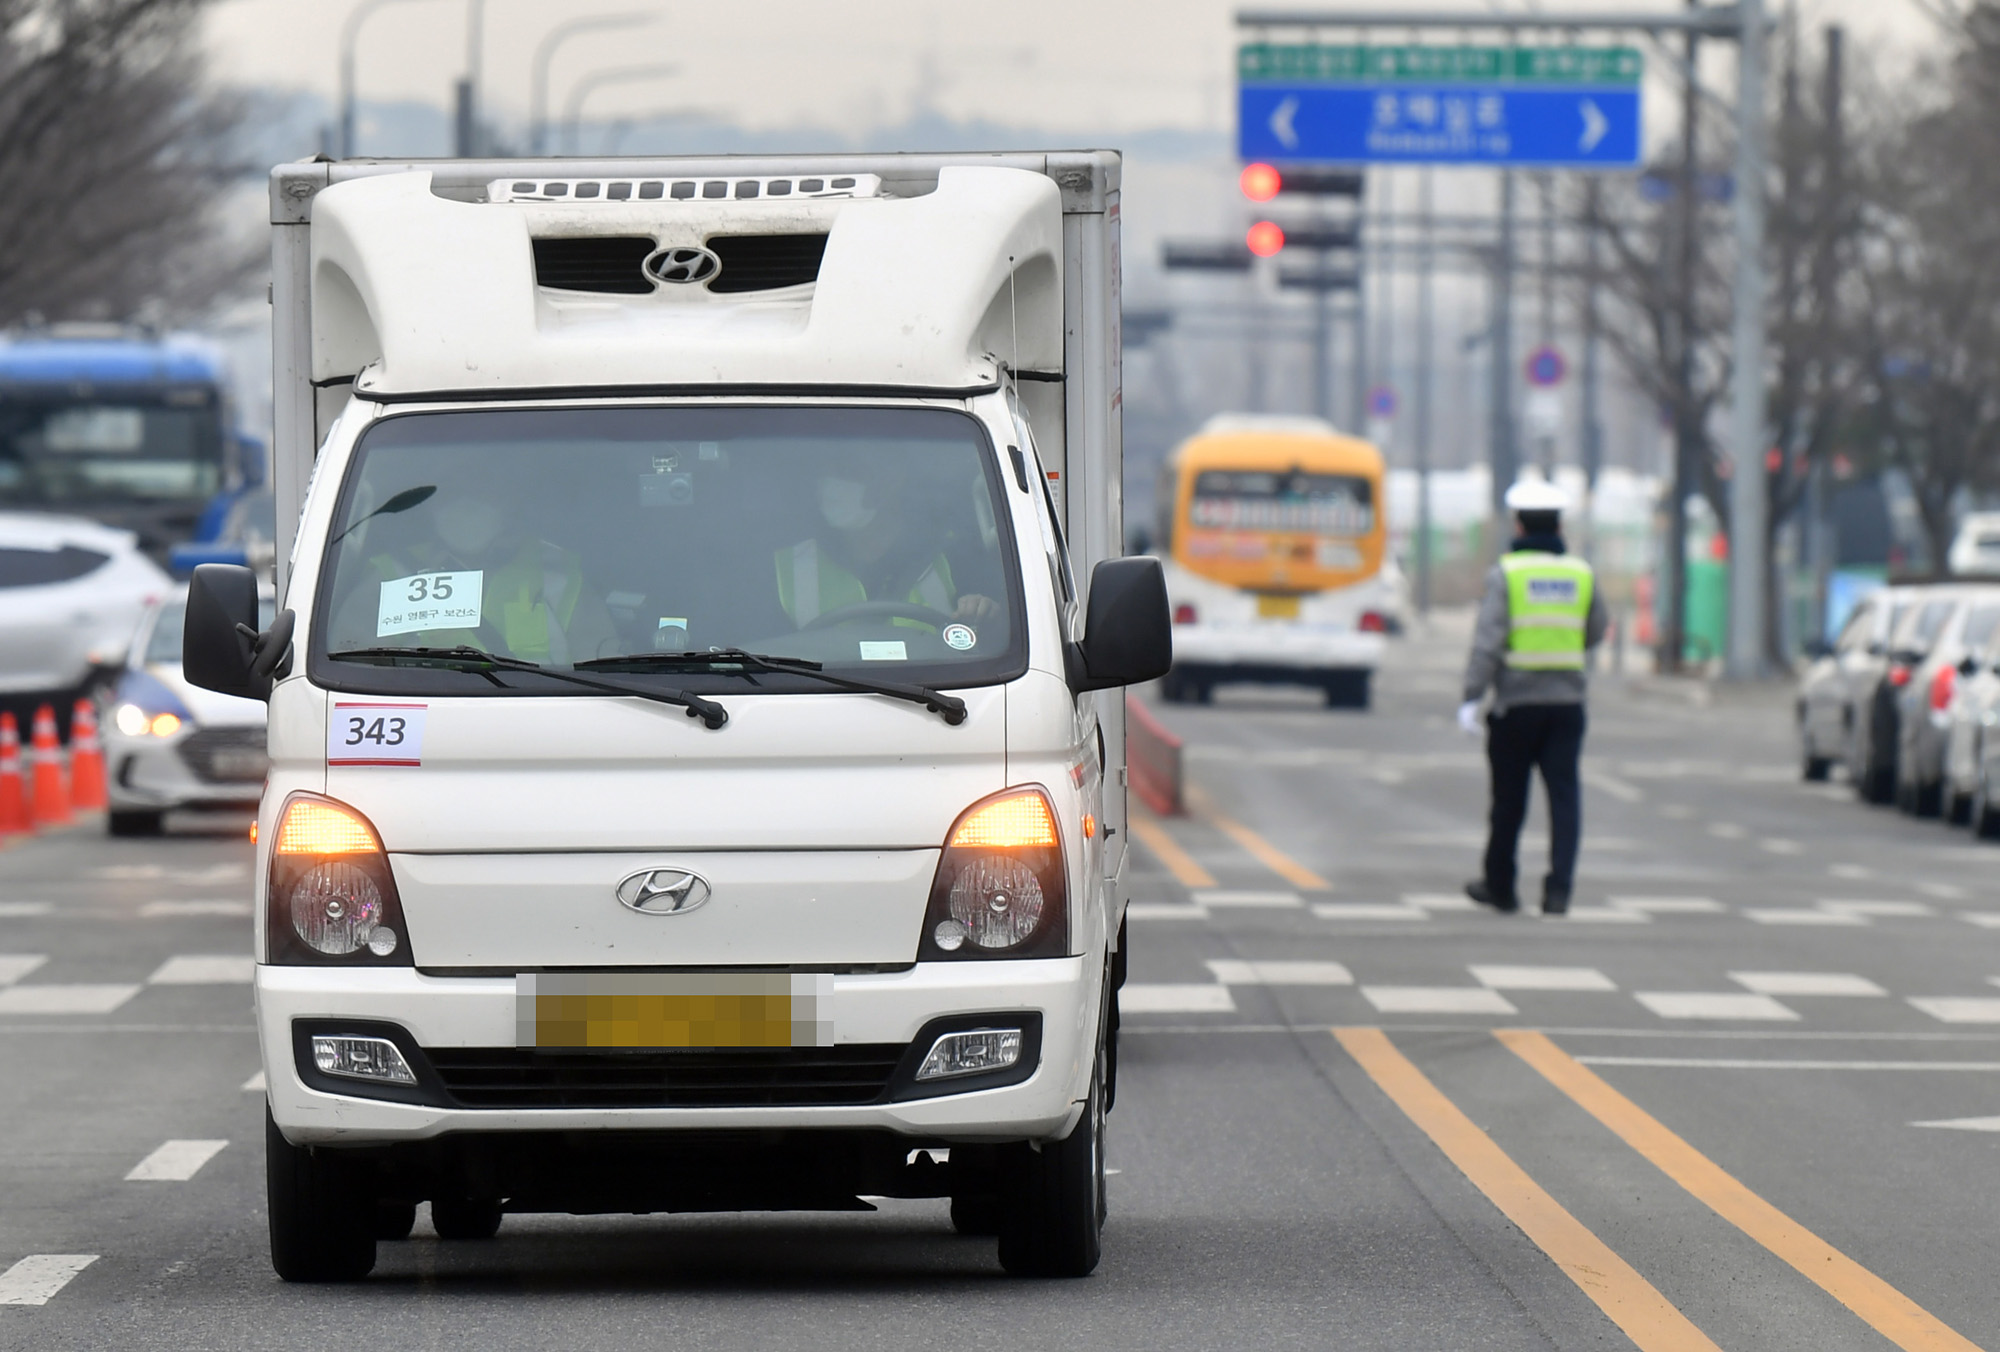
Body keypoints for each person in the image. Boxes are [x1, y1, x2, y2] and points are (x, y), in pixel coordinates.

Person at [1459, 477, 1607, 916]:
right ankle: (1559, 889)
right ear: (1559, 526)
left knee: (1509, 800)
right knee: (1564, 798)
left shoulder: (1507, 575)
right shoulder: (1581, 574)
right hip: (1567, 705)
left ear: (1518, 526)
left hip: (1516, 705)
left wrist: (1471, 695)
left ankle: (1501, 885)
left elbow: (1488, 642)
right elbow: (1597, 628)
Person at [329, 489, 616, 665]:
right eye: (454, 488)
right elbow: (349, 666)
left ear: (510, 503)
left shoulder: (555, 573)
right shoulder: (392, 574)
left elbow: (600, 671)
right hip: (431, 721)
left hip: (542, 723)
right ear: (429, 506)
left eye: (483, 488)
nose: (467, 501)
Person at [775, 461, 998, 631]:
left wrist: (983, 614)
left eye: (849, 471)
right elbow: (762, 662)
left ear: (893, 480)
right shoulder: (785, 567)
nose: (829, 485)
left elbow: (997, 645)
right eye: (825, 474)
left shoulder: (955, 556)